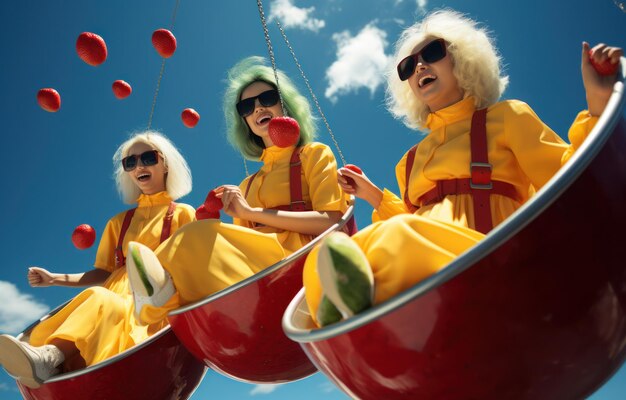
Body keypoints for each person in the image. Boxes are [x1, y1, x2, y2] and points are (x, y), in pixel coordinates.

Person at [302, 9, 623, 327]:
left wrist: (598, 103)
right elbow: (416, 221)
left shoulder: (508, 117)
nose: (420, 67)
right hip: (426, 264)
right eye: (408, 66)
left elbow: (569, 179)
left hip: (488, 261)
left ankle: (359, 306)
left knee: (394, 238)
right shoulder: (409, 161)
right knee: (325, 257)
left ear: (462, 59)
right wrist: (372, 195)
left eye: (432, 52)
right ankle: (349, 313)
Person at [125, 56, 349, 326]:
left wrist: (251, 212)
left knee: (193, 239)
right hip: (260, 276)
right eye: (247, 106)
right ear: (243, 120)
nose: (257, 108)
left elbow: (332, 221)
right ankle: (155, 306)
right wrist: (211, 217)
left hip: (299, 262)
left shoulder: (313, 154)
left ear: (284, 103)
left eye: (267, 98)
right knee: (193, 241)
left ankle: (153, 308)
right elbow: (241, 245)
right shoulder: (247, 185)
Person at [0, 131, 195, 388]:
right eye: (130, 162)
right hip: (111, 295)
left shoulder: (183, 214)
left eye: (148, 157)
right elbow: (103, 272)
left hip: (151, 303)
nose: (139, 166)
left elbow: (191, 267)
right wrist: (55, 278)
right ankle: (49, 358)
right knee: (98, 298)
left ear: (165, 163)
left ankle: (48, 358)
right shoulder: (118, 223)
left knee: (100, 299)